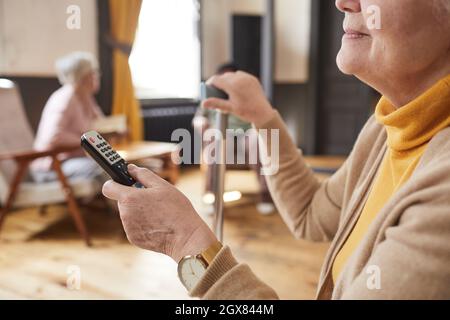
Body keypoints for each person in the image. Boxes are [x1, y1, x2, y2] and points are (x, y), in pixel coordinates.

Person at [102, 0, 450, 299]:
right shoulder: (386, 125)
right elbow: (312, 215)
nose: (342, 2)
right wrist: (262, 116)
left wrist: (187, 241)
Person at [192, 63, 274, 215]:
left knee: (256, 140)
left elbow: (264, 115)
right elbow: (198, 118)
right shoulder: (211, 96)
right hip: (221, 132)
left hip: (248, 131)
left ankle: (266, 194)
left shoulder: (248, 96)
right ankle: (213, 195)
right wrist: (201, 123)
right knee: (216, 139)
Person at [31, 52, 105, 184]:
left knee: (117, 163)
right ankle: (128, 204)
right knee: (107, 167)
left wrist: (118, 128)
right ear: (81, 76)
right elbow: (54, 136)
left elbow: (101, 123)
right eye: (92, 73)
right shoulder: (65, 98)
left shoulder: (86, 96)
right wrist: (89, 141)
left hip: (73, 161)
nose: (96, 76)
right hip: (51, 166)